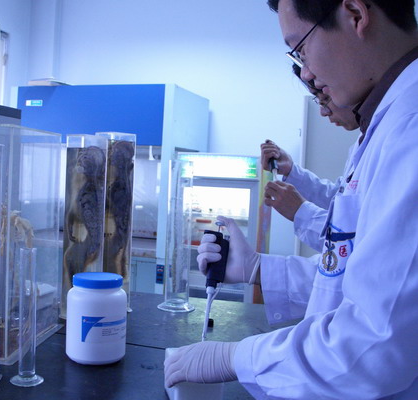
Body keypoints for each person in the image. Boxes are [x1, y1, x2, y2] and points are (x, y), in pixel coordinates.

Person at [164, 1, 418, 398]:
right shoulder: (384, 128)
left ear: (355, 14)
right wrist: (256, 268)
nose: (308, 74)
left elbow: (373, 344)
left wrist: (238, 357)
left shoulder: (410, 130)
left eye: (300, 48)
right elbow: (349, 273)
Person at [262, 64, 359, 251]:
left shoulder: (399, 136)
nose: (323, 112)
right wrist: (291, 170)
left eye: (325, 99)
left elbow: (354, 244)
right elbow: (338, 200)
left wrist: (301, 211)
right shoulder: (361, 145)